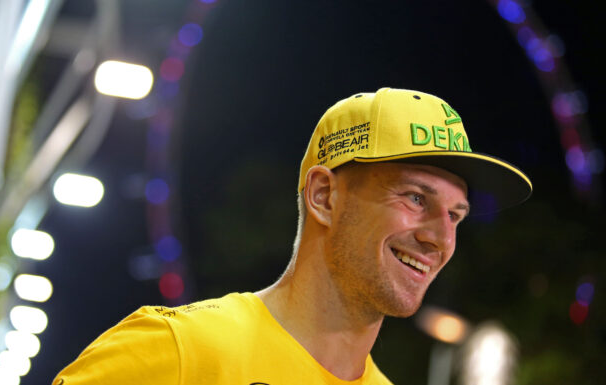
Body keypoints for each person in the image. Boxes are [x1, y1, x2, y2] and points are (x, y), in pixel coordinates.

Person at [53, 88, 532, 384]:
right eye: (415, 199)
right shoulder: (178, 352)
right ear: (324, 196)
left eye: (456, 215)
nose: (440, 238)